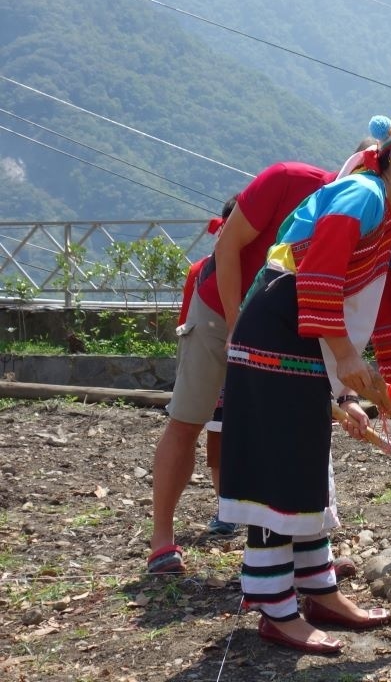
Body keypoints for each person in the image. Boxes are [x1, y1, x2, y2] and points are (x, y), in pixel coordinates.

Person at [218, 104, 391, 654]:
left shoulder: (390, 221)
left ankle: (319, 590)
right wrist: (347, 357)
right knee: (278, 468)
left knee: (304, 463)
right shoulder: (364, 194)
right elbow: (320, 274)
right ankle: (276, 609)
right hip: (280, 334)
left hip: (304, 339)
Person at [148, 162, 334, 575]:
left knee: (289, 428)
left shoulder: (365, 215)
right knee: (189, 419)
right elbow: (226, 246)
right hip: (218, 310)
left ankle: (303, 549)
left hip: (282, 321)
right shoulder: (287, 180)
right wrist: (237, 325)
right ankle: (162, 539)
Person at [175, 196, 239, 537]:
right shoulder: (201, 271)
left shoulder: (261, 267)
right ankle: (225, 506)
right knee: (218, 437)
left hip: (245, 365)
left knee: (243, 437)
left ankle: (241, 505)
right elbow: (189, 321)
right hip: (217, 365)